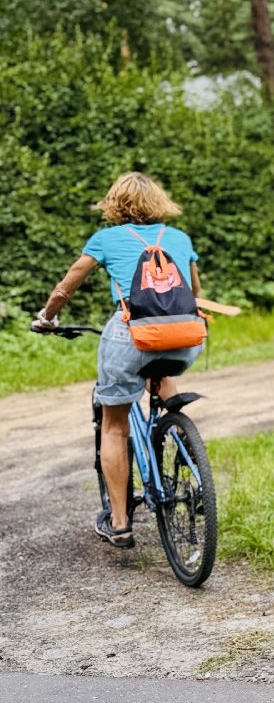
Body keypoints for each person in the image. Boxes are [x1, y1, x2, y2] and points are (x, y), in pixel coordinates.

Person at [32, 172, 205, 550]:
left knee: (114, 426)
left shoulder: (107, 239)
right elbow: (194, 293)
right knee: (162, 374)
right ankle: (184, 446)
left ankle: (121, 521)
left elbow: (67, 284)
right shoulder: (179, 238)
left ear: (114, 205)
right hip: (188, 335)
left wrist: (47, 317)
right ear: (159, 202)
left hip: (134, 335)